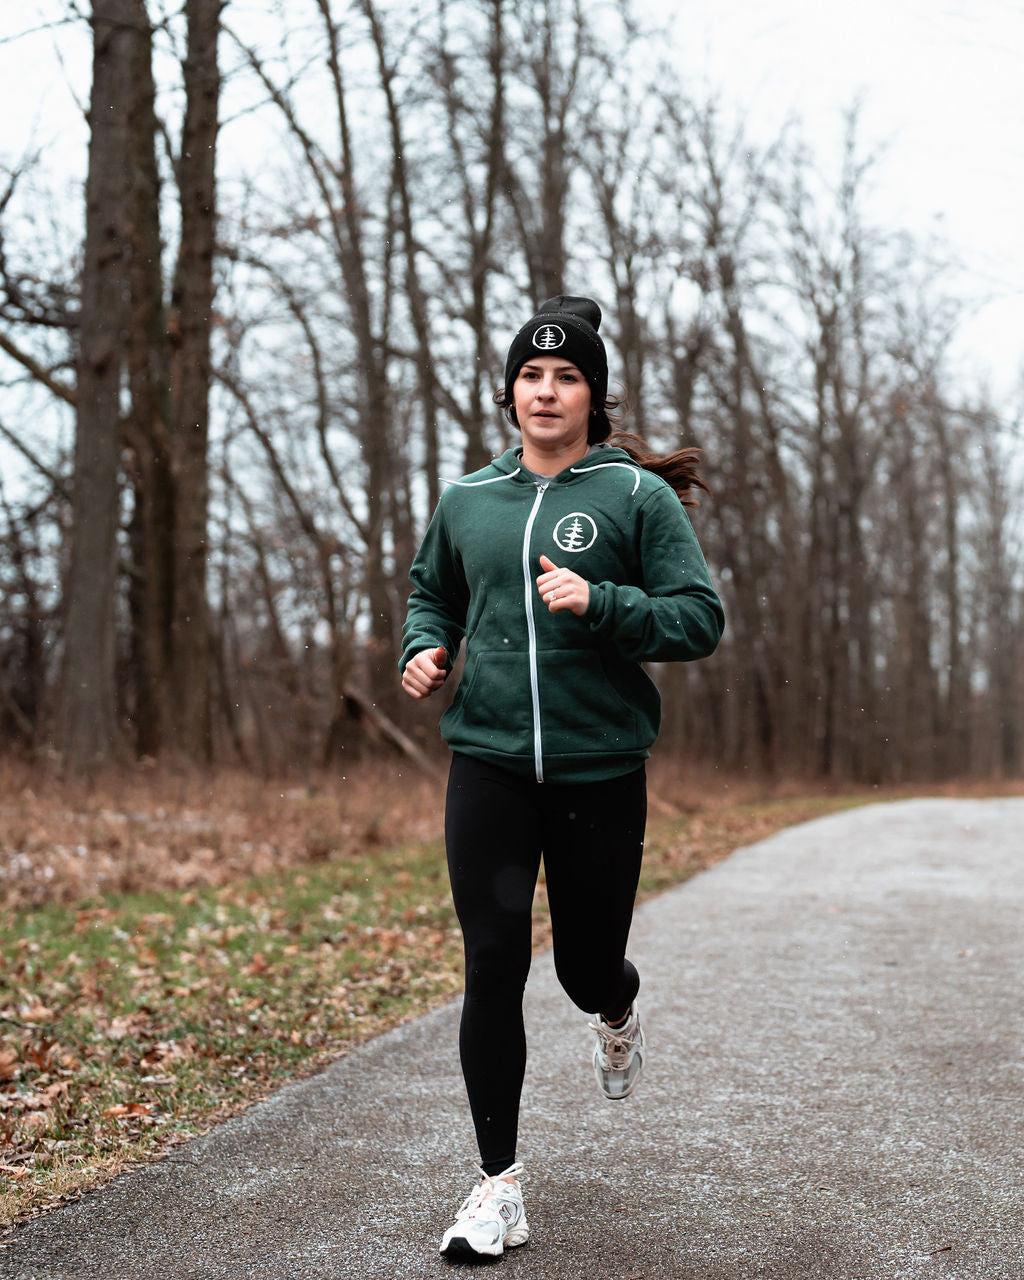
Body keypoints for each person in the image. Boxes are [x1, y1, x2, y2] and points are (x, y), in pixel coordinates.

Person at [399, 295, 724, 1262]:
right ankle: (496, 1186)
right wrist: (425, 648)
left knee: (585, 970)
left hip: (599, 768)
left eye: (568, 376)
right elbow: (432, 593)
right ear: (510, 394)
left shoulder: (634, 498)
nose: (547, 391)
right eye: (532, 376)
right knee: (492, 962)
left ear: (593, 397)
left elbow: (697, 619)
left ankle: (616, 1009)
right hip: (489, 765)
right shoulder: (467, 500)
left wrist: (604, 601)